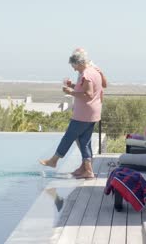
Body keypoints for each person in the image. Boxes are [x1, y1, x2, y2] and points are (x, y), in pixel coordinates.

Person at [39, 50, 103, 179]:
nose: (74, 70)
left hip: (84, 114)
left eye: (74, 66)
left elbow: (88, 94)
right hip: (92, 112)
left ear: (79, 63)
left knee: (69, 136)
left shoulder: (86, 74)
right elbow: (85, 88)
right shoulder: (94, 71)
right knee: (84, 141)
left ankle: (54, 160)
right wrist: (73, 86)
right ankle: (88, 171)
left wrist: (70, 92)